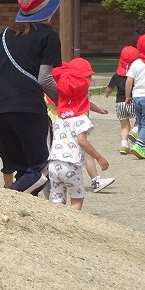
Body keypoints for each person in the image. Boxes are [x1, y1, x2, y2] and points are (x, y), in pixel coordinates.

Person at [0, 0, 63, 194]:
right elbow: (45, 79)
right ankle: (8, 200)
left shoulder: (5, 34)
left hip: (0, 108)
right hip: (28, 107)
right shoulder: (48, 36)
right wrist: (63, 102)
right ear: (49, 11)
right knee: (39, 170)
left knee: (23, 170)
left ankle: (21, 210)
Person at [47, 59, 109, 210]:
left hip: (53, 164)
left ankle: (57, 221)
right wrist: (99, 157)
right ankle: (71, 222)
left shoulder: (59, 117)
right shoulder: (81, 119)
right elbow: (82, 141)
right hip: (71, 165)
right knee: (77, 200)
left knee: (57, 201)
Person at [66, 56, 115, 193]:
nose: (89, 80)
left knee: (84, 154)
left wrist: (98, 110)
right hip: (75, 128)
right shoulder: (73, 92)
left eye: (90, 77)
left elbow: (87, 103)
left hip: (79, 128)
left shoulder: (82, 91)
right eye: (86, 77)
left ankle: (92, 180)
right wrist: (100, 158)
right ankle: (95, 181)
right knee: (87, 153)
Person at [105, 45, 140, 154]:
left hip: (120, 104)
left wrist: (107, 94)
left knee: (125, 126)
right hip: (133, 101)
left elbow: (109, 89)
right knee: (140, 120)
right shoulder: (136, 74)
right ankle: (135, 132)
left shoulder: (116, 75)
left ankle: (124, 144)